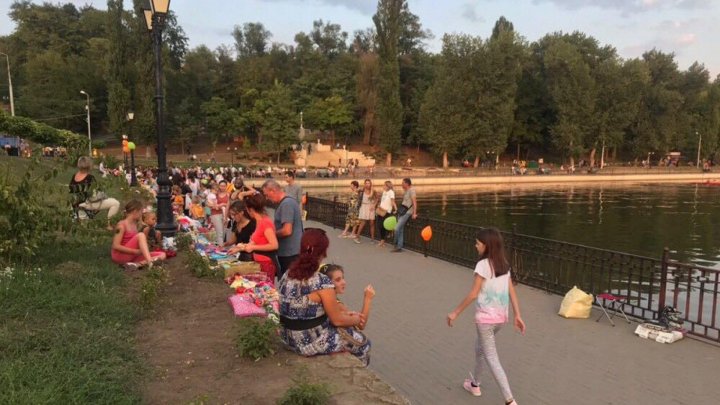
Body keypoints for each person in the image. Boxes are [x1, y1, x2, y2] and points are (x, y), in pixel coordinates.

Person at [446, 228, 525, 404]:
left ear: (486, 246)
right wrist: (517, 315)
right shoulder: (503, 263)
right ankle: (475, 384)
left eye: (478, 243)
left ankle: (510, 400)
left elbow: (474, 294)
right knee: (479, 348)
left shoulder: (482, 265)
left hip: (485, 321)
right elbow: (511, 290)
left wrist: (455, 312)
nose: (476, 246)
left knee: (491, 358)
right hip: (500, 319)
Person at [278, 229, 371, 365]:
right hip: (307, 341)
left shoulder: (288, 274)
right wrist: (357, 318)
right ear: (323, 252)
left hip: (287, 335)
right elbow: (337, 320)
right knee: (363, 343)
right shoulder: (321, 281)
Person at [262, 179, 303, 281]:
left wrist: (270, 235)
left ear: (273, 190)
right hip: (290, 251)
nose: (267, 198)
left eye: (267, 195)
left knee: (289, 282)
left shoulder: (286, 204)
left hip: (290, 253)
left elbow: (287, 230)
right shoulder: (287, 202)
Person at [111, 200, 166, 270]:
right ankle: (150, 263)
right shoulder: (121, 225)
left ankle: (136, 265)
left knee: (162, 255)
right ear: (135, 211)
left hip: (132, 256)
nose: (141, 214)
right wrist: (135, 251)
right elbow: (115, 246)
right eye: (140, 212)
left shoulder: (134, 224)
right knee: (141, 235)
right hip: (120, 256)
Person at [235, 193, 279, 280]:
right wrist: (240, 248)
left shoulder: (265, 222)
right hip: (259, 261)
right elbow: (256, 241)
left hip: (266, 262)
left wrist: (252, 247)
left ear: (250, 209)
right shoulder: (259, 221)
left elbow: (274, 245)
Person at [69, 156, 121, 231]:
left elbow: (71, 191)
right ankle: (109, 225)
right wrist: (103, 196)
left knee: (108, 200)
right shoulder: (89, 178)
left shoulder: (74, 176)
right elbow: (94, 196)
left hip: (75, 204)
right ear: (89, 165)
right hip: (86, 203)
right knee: (115, 203)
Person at [320, 264, 375, 330]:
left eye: (343, 278)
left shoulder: (321, 298)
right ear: (327, 283)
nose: (343, 282)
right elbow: (361, 325)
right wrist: (368, 298)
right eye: (338, 280)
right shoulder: (337, 304)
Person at [392, 178, 417, 253]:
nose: (401, 184)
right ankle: (399, 247)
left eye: (403, 183)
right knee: (400, 229)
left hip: (407, 212)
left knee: (396, 228)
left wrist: (414, 213)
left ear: (407, 183)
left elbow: (414, 202)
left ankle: (395, 243)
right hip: (402, 211)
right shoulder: (406, 191)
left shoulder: (412, 190)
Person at [354, 179, 378, 244]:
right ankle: (357, 237)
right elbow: (355, 191)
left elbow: (377, 199)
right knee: (363, 223)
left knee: (372, 224)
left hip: (371, 208)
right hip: (364, 207)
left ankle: (372, 239)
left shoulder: (373, 191)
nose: (367, 185)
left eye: (369, 183)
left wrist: (374, 205)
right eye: (366, 183)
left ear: (370, 184)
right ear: (364, 184)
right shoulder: (362, 191)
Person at [375, 181, 397, 248]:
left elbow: (393, 201)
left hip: (386, 211)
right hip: (381, 210)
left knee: (382, 226)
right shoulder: (384, 192)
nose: (383, 186)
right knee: (379, 225)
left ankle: (383, 240)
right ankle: (383, 239)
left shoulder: (391, 192)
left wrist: (396, 209)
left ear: (388, 186)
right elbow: (383, 200)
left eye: (384, 185)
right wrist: (379, 205)